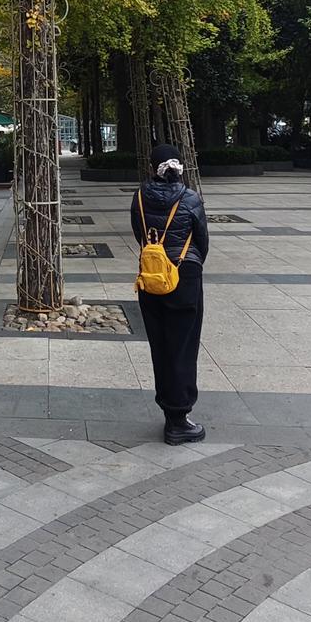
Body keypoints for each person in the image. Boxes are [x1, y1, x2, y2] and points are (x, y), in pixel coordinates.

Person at [130, 140, 209, 444]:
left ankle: (168, 409)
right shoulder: (190, 198)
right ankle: (179, 419)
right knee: (183, 346)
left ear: (153, 168)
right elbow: (202, 241)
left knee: (160, 345)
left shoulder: (139, 197)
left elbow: (139, 234)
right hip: (184, 277)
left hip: (151, 278)